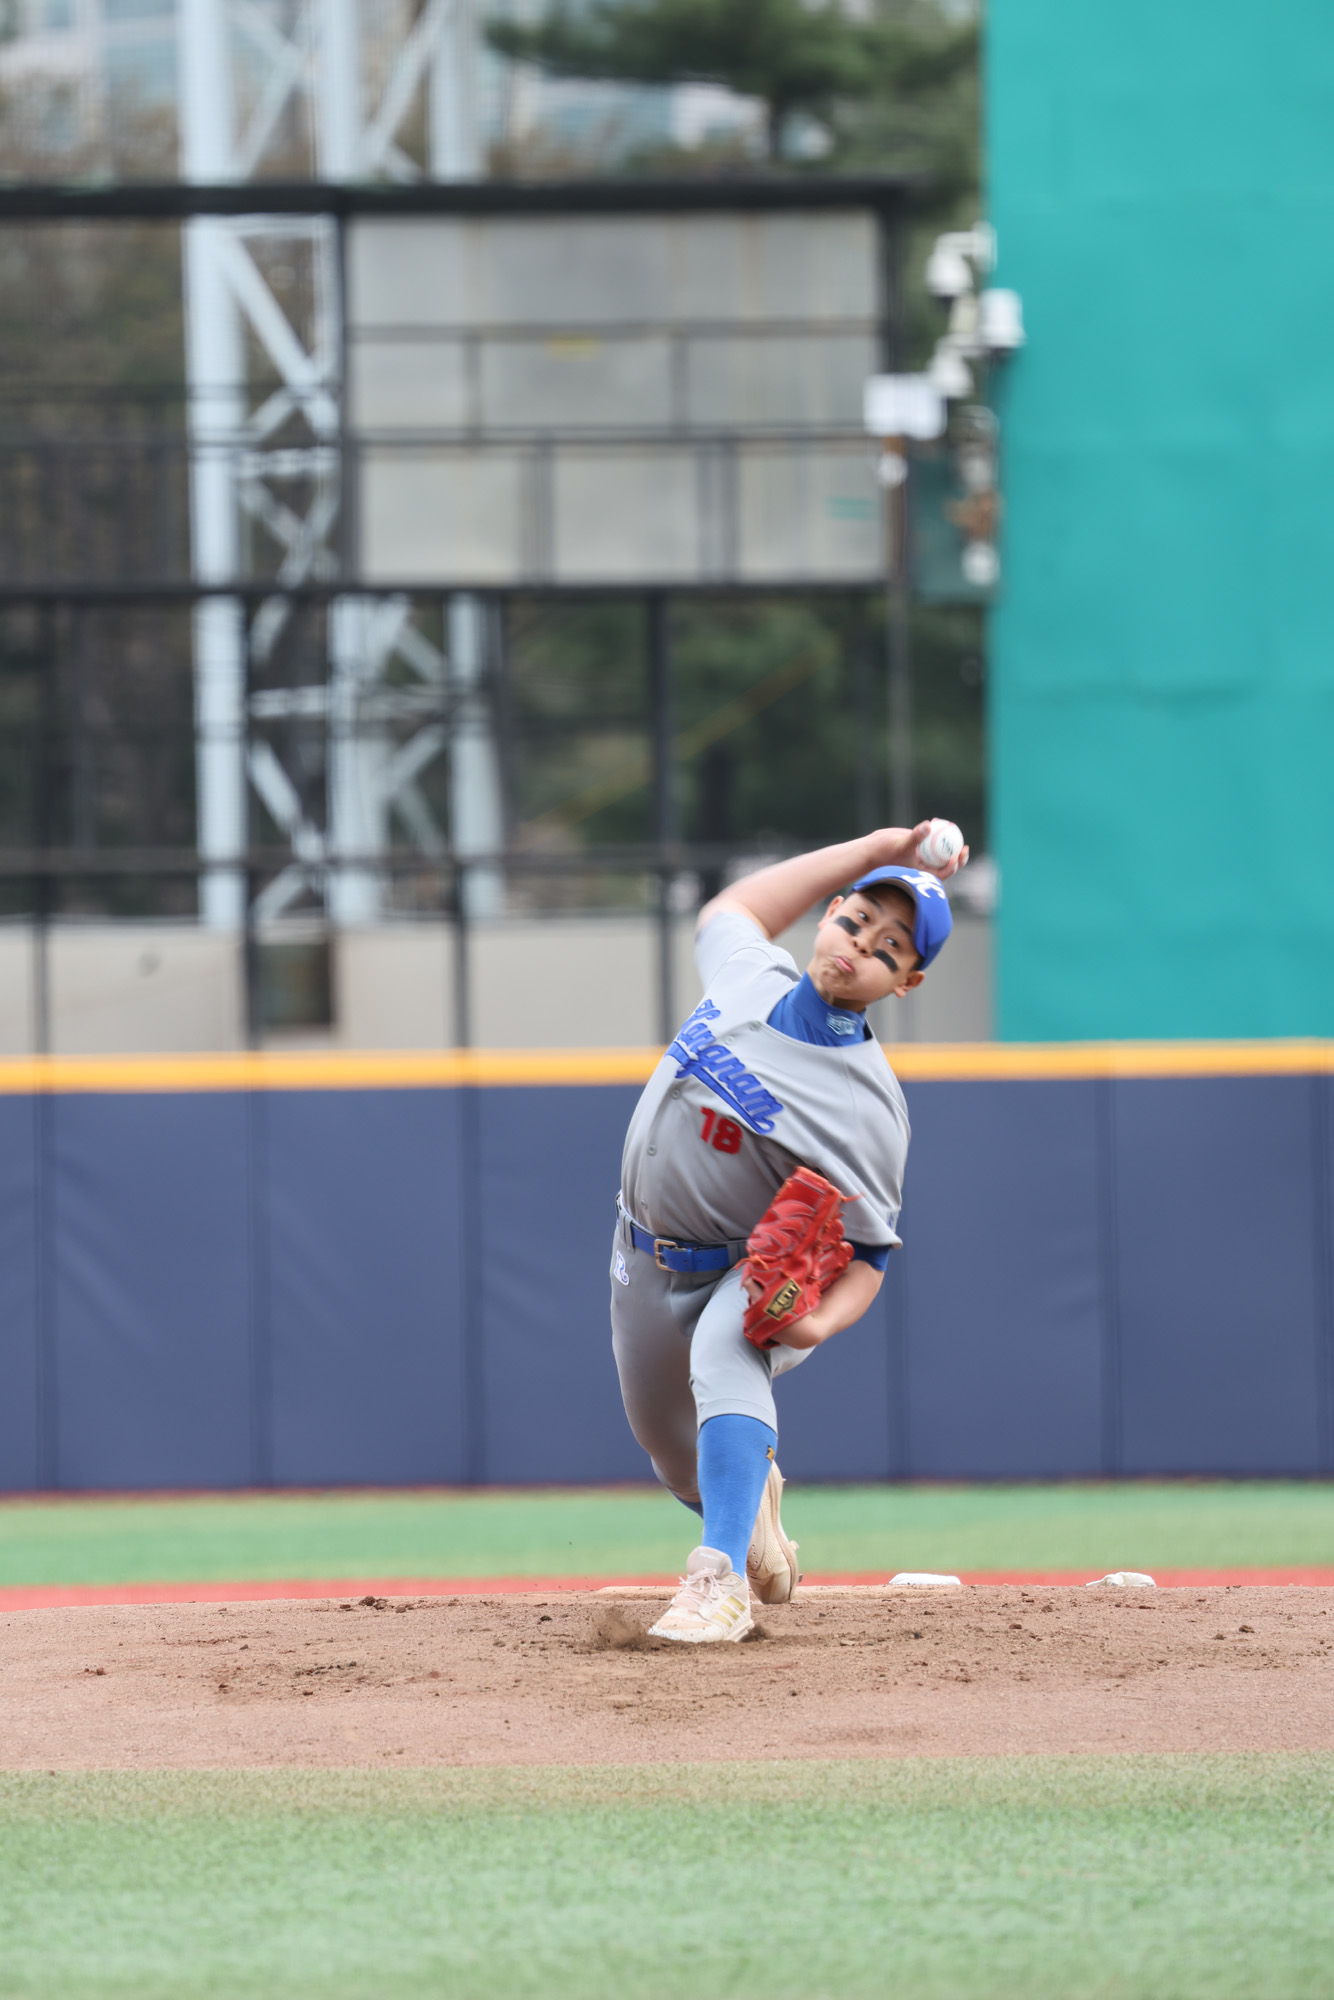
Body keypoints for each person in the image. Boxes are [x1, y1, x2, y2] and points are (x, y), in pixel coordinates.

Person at [609, 823, 967, 1643]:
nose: (860, 945)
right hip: (641, 1256)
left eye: (889, 948)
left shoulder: (865, 1104)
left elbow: (872, 1256)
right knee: (671, 1456)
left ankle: (720, 1581)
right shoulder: (750, 972)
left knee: (725, 1349)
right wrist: (874, 846)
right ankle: (750, 1501)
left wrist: (814, 1322)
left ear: (905, 982)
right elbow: (731, 908)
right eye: (856, 920)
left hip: (748, 1270)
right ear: (830, 913)